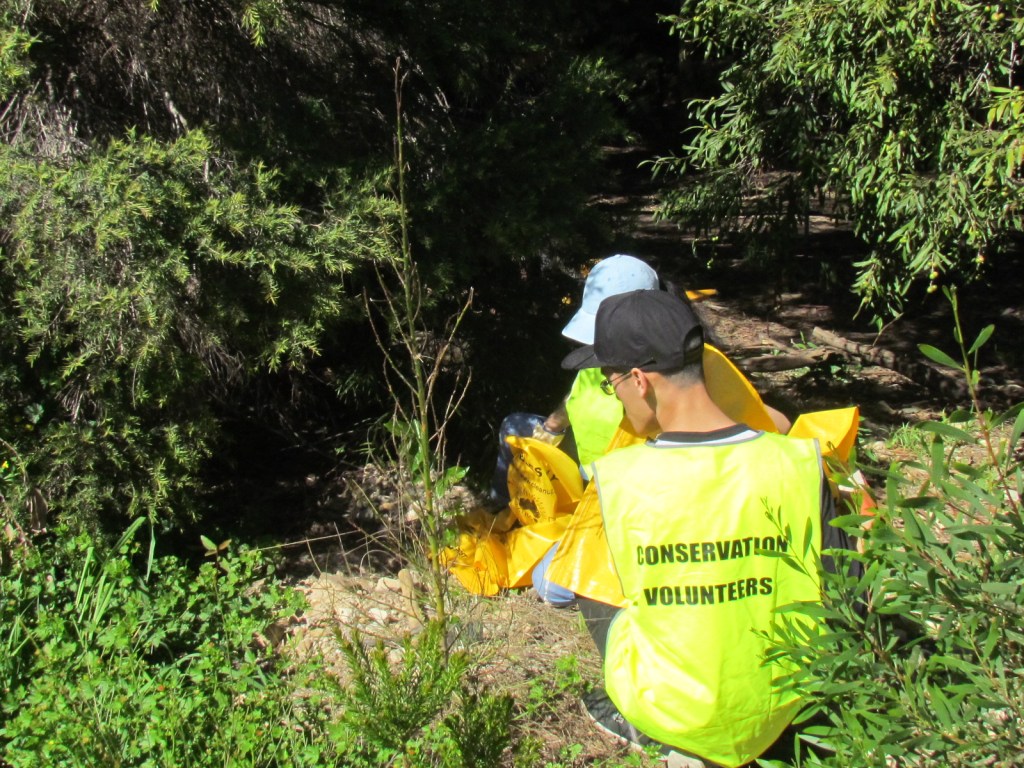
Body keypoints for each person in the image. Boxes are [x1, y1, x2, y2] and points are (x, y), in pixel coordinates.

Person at [559, 289, 838, 768]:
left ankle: (646, 730)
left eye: (612, 384)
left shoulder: (618, 481)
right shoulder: (800, 462)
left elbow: (590, 587)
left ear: (640, 381)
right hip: (788, 703)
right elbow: (846, 589)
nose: (617, 396)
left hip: (677, 716)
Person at [488, 255, 792, 607]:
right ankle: (507, 512)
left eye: (612, 378)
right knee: (516, 427)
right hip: (594, 479)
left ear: (638, 379)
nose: (607, 378)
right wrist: (552, 430)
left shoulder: (678, 377)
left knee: (553, 581)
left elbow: (760, 420)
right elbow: (574, 399)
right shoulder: (607, 363)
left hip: (631, 495)